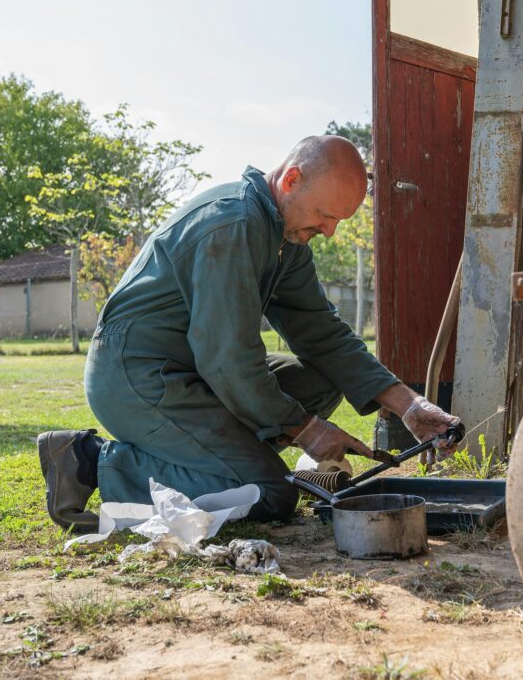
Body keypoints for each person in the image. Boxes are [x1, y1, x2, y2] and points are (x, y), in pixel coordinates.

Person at [37, 135, 460, 533]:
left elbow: (322, 334)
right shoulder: (232, 224)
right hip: (136, 376)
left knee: (323, 377)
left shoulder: (284, 236)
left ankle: (230, 462)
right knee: (269, 494)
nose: (329, 231)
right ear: (291, 179)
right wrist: (308, 429)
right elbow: (228, 360)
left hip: (193, 370)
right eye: (325, 216)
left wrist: (409, 405)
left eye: (337, 221)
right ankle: (89, 461)